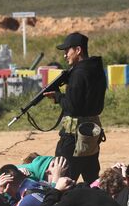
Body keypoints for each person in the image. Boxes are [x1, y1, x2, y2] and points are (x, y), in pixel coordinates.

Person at [44, 32, 107, 184]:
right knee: (93, 181)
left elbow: (73, 107)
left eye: (67, 51)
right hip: (91, 135)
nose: (65, 55)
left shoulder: (78, 74)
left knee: (62, 180)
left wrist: (58, 96)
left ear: (78, 50)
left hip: (73, 138)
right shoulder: (96, 69)